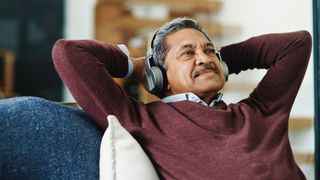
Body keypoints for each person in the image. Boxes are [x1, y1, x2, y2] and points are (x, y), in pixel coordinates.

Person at [0, 17, 311, 179]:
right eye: (188, 53)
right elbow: (68, 54)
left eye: (208, 49)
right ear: (159, 76)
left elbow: (297, 44)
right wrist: (138, 67)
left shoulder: (261, 110)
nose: (202, 57)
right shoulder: (144, 120)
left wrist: (219, 61)